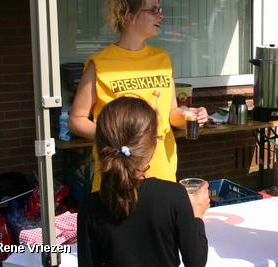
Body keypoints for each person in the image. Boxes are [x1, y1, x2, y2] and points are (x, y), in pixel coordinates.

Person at [69, 0, 208, 191]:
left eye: (159, 10)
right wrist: (114, 138)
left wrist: (191, 114)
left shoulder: (161, 58)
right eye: (152, 10)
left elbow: (171, 113)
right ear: (130, 17)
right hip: (118, 173)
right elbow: (76, 120)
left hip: (162, 171)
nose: (160, 15)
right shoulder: (100, 64)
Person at [77, 96, 209, 267]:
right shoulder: (173, 195)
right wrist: (197, 214)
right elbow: (196, 261)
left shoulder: (90, 206)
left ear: (100, 148)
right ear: (153, 149)